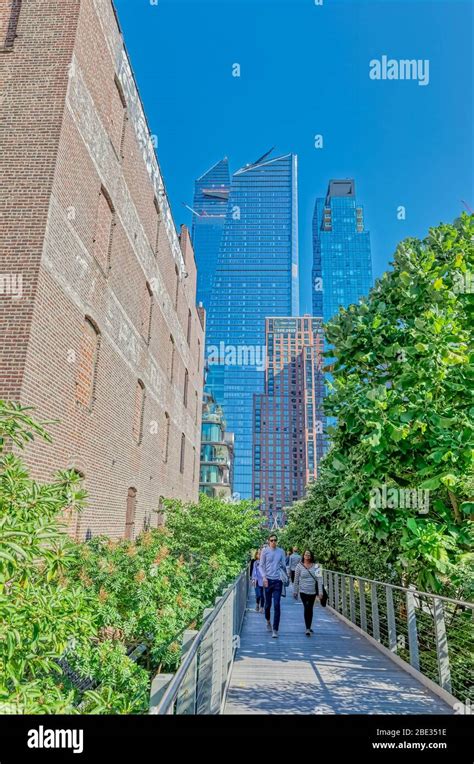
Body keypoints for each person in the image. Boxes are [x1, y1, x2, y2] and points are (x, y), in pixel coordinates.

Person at [259, 533, 287, 638]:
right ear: (268, 541)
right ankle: (268, 621)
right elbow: (261, 566)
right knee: (267, 605)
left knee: (277, 605)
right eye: (271, 540)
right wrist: (264, 577)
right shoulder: (265, 551)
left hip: (277, 581)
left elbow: (284, 565)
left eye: (275, 540)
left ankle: (275, 629)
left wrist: (284, 575)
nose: (273, 542)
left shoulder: (281, 552)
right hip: (267, 581)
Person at [293, 550, 323, 636]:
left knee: (310, 608)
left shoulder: (317, 566)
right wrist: (295, 591)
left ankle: (308, 626)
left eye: (309, 554)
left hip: (312, 591)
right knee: (307, 607)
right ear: (303, 555)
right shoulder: (299, 566)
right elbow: (296, 579)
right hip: (303, 591)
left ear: (311, 556)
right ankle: (307, 628)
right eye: (306, 554)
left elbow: (320, 579)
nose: (307, 555)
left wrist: (320, 592)